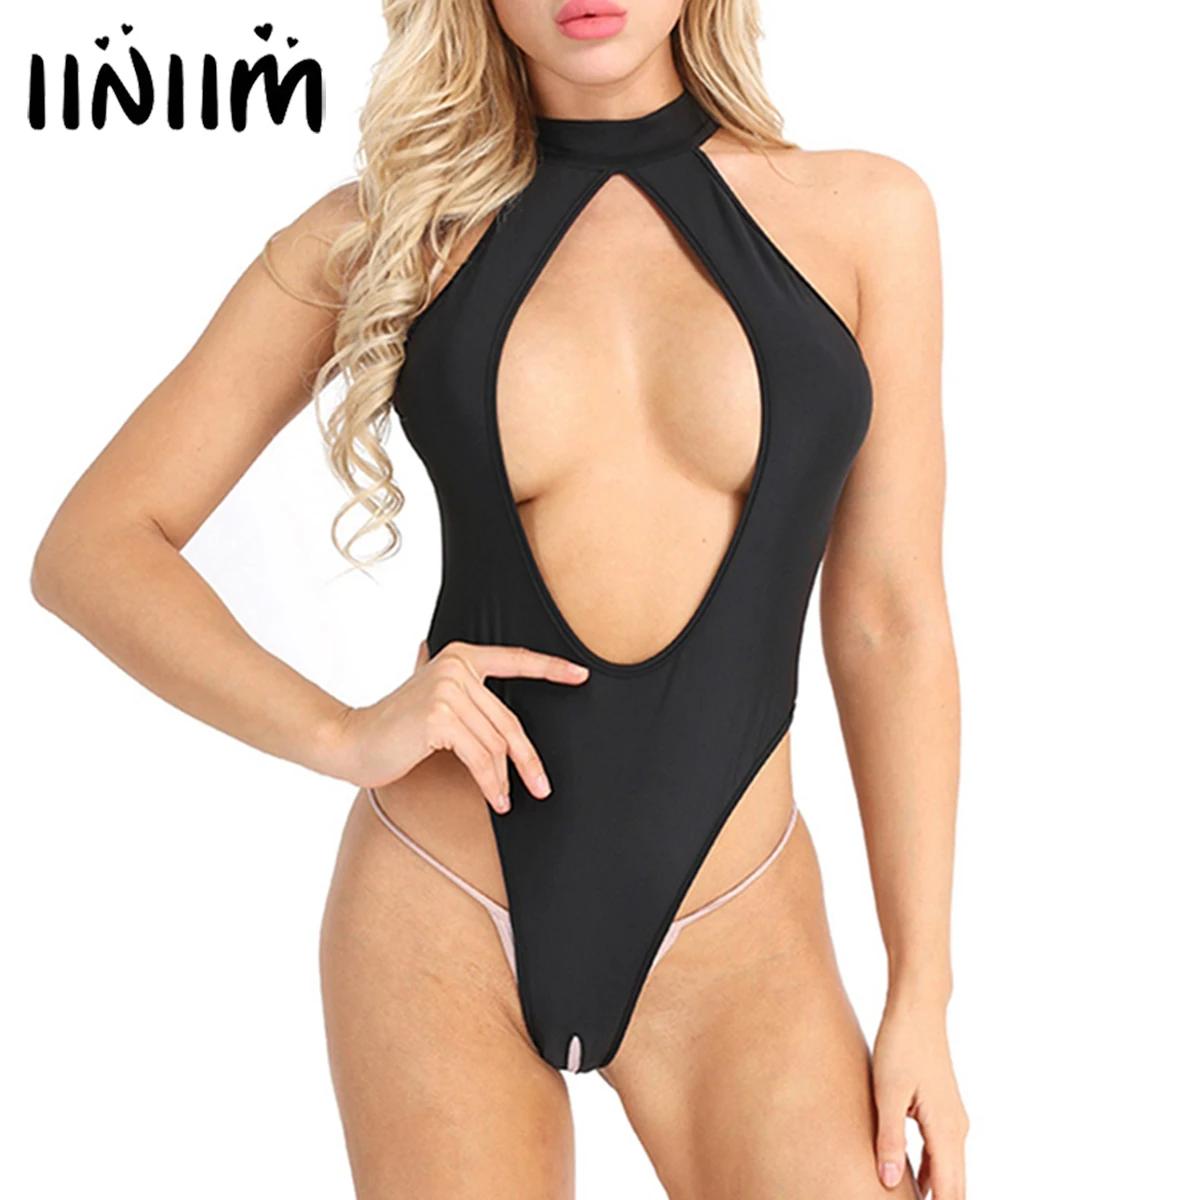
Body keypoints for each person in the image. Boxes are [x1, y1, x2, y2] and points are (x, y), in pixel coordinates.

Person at [31, 1, 967, 1196]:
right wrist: (342, 733)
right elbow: (95, 545)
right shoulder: (389, 234)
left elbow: (890, 616)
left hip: (741, 931)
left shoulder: (865, 217)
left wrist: (922, 990)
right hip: (443, 907)